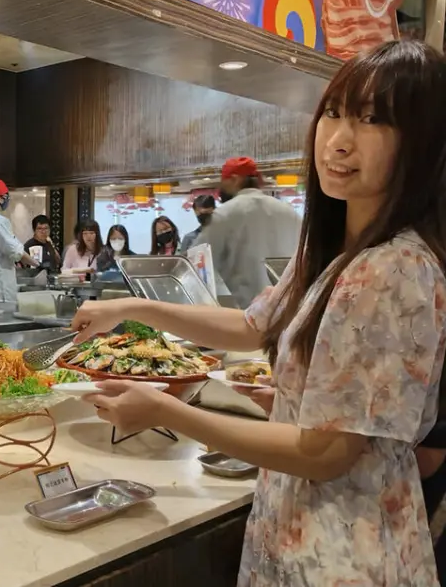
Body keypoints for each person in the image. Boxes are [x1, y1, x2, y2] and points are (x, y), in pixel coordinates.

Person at [71, 40, 446, 585]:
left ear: (424, 143)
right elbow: (251, 327)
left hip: (345, 554)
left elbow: (326, 453)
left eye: (371, 120)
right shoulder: (336, 251)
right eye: (334, 113)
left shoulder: (391, 267)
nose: (338, 140)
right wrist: (132, 307)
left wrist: (165, 410)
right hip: (300, 531)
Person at [194, 157, 301, 309]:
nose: (221, 189)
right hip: (287, 309)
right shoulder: (290, 213)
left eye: (224, 182)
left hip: (243, 312)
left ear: (235, 179)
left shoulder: (226, 214)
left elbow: (197, 261)